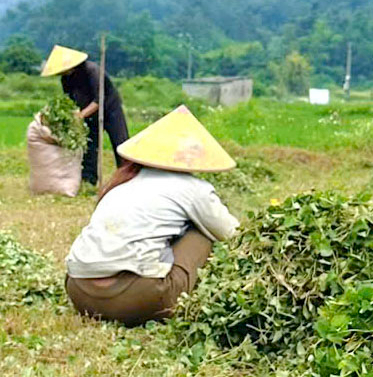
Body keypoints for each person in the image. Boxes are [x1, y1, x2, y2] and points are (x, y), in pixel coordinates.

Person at [65, 105, 239, 326]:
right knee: (202, 232)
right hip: (139, 299)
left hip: (80, 293)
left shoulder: (120, 185)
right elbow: (232, 234)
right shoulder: (194, 188)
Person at [41, 45, 129, 186]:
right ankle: (89, 181)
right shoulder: (66, 79)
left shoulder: (92, 71)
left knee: (120, 144)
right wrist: (71, 114)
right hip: (88, 114)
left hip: (110, 110)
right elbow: (70, 100)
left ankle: (127, 179)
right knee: (89, 146)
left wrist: (80, 115)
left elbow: (99, 99)